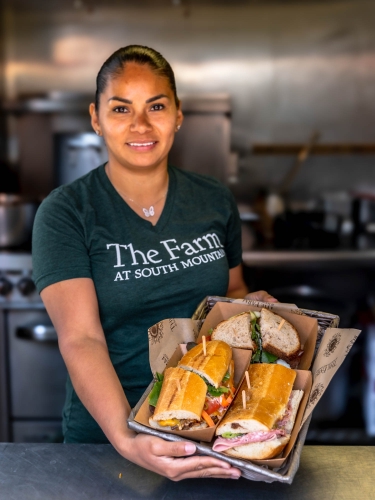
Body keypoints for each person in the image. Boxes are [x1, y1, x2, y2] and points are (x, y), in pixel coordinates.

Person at [32, 45, 277, 481]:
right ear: (95, 118)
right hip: (108, 441)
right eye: (121, 108)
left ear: (178, 115)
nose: (140, 124)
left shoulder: (213, 198)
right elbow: (81, 339)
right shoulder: (67, 212)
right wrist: (127, 438)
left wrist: (255, 309)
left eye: (156, 106)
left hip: (213, 430)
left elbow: (232, 294)